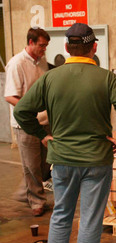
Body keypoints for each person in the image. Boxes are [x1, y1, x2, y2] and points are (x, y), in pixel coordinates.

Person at [13, 23, 116, 243]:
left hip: (62, 160)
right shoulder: (107, 78)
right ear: (94, 47)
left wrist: (42, 135)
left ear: (67, 48)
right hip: (96, 160)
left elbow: (21, 111)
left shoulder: (50, 78)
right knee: (91, 219)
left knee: (61, 214)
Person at [4, 27, 51, 217]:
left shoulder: (42, 62)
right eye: (41, 45)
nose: (44, 49)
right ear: (31, 42)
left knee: (45, 164)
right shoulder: (17, 63)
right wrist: (29, 111)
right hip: (26, 124)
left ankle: (27, 192)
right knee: (31, 165)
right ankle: (37, 201)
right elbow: (10, 96)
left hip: (45, 121)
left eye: (46, 46)